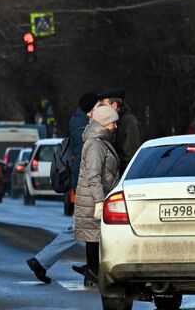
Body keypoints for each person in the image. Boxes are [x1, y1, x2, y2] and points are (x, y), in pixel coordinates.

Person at [25, 91, 96, 284]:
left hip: (83, 187)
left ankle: (93, 268)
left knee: (82, 230)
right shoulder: (83, 128)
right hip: (85, 188)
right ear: (92, 108)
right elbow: (82, 162)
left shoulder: (79, 122)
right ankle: (42, 261)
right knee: (78, 230)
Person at [74, 103, 121, 288]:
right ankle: (93, 274)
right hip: (94, 200)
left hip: (94, 198)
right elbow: (93, 175)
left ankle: (93, 274)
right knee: (94, 239)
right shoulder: (95, 144)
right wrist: (100, 201)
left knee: (95, 238)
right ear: (103, 123)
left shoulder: (99, 141)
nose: (115, 127)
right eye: (112, 123)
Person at [97, 89, 142, 171]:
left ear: (114, 105)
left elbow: (130, 157)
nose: (100, 109)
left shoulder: (129, 123)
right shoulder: (115, 122)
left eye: (103, 106)